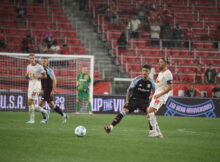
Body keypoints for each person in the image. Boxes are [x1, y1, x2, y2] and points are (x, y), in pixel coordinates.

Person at [104, 64, 155, 134]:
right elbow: (129, 90)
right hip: (134, 99)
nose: (144, 72)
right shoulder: (137, 79)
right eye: (143, 70)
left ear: (149, 72)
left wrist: (151, 96)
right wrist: (127, 100)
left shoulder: (152, 82)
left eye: (146, 71)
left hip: (144, 101)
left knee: (150, 113)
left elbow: (155, 92)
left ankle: (152, 131)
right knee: (125, 110)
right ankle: (110, 127)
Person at [147, 58, 173, 138]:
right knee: (149, 113)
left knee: (150, 110)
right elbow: (158, 86)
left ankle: (154, 132)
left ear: (166, 63)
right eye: (158, 62)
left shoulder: (168, 73)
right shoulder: (160, 73)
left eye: (161, 62)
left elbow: (170, 87)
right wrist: (153, 94)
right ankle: (159, 133)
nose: (159, 63)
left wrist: (159, 94)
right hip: (157, 94)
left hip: (162, 95)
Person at [39, 57, 68, 123]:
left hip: (48, 89)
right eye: (42, 61)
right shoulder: (40, 70)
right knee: (51, 105)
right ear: (40, 62)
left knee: (40, 105)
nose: (43, 62)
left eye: (45, 61)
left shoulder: (49, 70)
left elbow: (54, 80)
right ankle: (64, 115)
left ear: (47, 62)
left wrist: (53, 90)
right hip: (45, 89)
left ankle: (45, 118)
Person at [25, 54, 49, 124]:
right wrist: (26, 76)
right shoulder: (28, 66)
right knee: (30, 103)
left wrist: (36, 76)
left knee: (30, 101)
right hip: (30, 85)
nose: (32, 59)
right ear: (29, 59)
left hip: (37, 86)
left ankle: (32, 120)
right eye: (30, 58)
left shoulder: (39, 66)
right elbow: (28, 76)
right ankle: (45, 111)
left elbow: (45, 76)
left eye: (33, 58)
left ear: (35, 58)